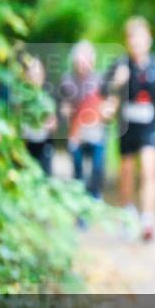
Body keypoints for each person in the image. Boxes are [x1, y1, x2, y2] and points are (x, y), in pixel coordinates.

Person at [103, 17, 155, 242]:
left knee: (150, 169)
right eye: (132, 39)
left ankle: (148, 220)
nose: (137, 43)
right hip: (127, 126)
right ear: (127, 42)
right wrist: (113, 93)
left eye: (140, 38)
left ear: (148, 39)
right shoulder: (120, 65)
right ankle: (128, 214)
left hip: (150, 125)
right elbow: (106, 93)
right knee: (127, 173)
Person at [60, 41, 108, 199]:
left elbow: (107, 103)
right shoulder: (67, 80)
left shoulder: (101, 79)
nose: (83, 63)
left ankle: (95, 198)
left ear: (92, 61)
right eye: (80, 59)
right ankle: (80, 205)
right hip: (76, 132)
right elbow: (64, 104)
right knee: (78, 169)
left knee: (97, 167)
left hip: (97, 131)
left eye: (86, 58)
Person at [18, 55, 57, 175]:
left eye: (38, 74)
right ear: (25, 76)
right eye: (32, 74)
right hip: (25, 145)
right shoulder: (19, 97)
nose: (35, 77)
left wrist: (50, 124)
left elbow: (53, 125)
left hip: (43, 146)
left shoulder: (47, 99)